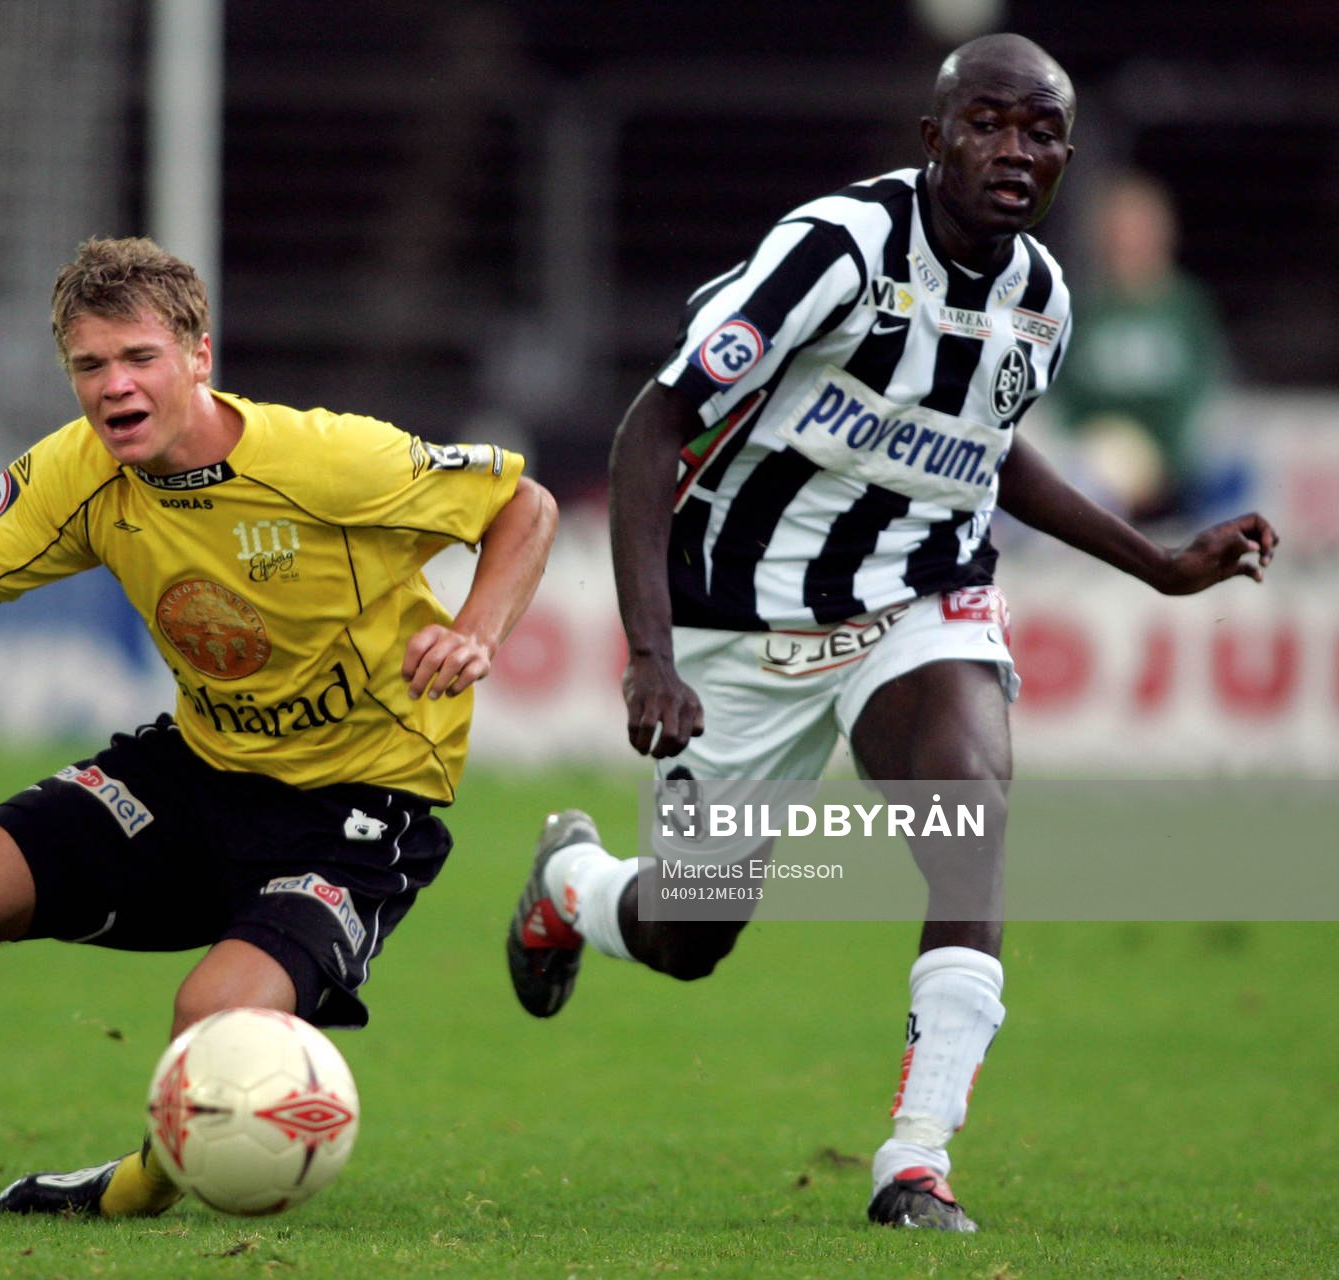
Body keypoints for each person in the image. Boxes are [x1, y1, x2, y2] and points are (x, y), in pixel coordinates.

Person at [504, 34, 1276, 1233]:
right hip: (743, 620)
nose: (1015, 151)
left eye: (1041, 132)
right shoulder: (836, 251)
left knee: (970, 821)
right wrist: (648, 652)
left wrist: (1160, 562)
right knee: (685, 933)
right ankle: (573, 882)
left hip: (919, 597)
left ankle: (914, 1159)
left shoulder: (1043, 301)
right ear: (935, 138)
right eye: (988, 124)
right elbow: (652, 431)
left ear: (1066, 154)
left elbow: (988, 448)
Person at [0, 235, 558, 1216]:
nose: (113, 385)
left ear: (199, 356)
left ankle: (129, 1193)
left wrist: (474, 631)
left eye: (138, 357)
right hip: (195, 773)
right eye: (89, 364)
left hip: (359, 802)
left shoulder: (326, 459)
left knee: (211, 1020)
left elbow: (525, 505)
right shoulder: (73, 474)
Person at [1049, 172, 1230, 523]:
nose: (1129, 241)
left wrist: (1167, 459)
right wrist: (1097, 445)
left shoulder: (1186, 307)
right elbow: (1062, 395)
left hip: (1177, 466)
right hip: (1098, 465)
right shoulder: (1082, 309)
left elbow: (1204, 388)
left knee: (1231, 466)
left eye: (1139, 228)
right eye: (1120, 229)